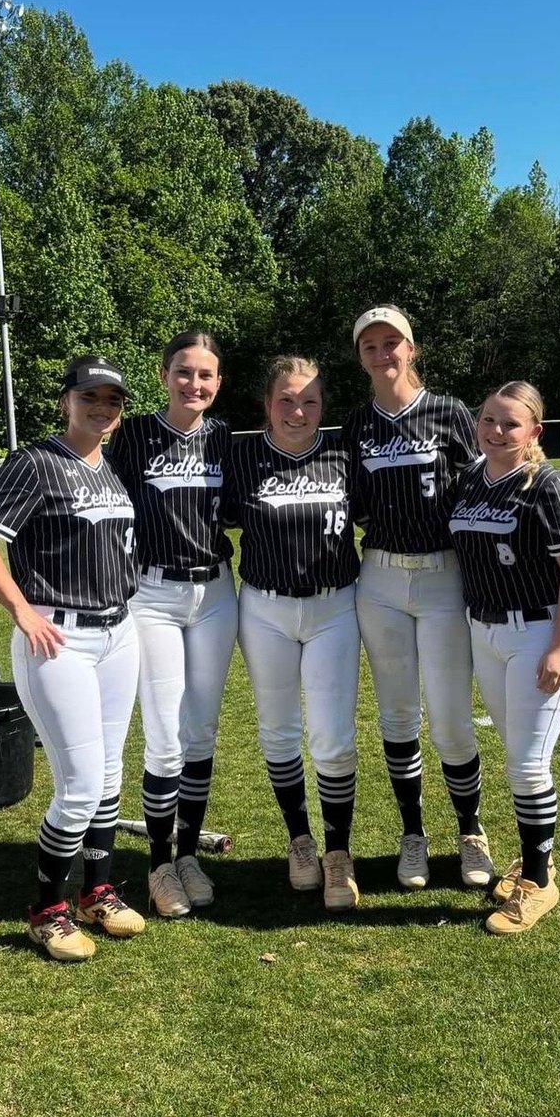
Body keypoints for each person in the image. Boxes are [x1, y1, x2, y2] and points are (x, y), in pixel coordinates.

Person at [0, 356, 144, 963]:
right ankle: (46, 910)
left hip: (117, 633)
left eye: (112, 399)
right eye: (90, 395)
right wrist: (20, 607)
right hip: (58, 637)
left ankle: (97, 892)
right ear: (66, 400)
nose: (102, 407)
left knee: (110, 776)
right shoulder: (36, 461)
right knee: (81, 784)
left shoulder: (106, 470)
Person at [342, 304, 491, 891]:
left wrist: (548, 498)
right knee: (398, 712)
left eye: (392, 342)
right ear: (361, 358)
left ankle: (472, 830)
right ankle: (413, 835)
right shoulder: (356, 424)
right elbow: (346, 500)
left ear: (412, 347)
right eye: (371, 346)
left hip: (442, 575)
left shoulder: (449, 411)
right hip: (379, 577)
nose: (384, 354)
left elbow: (487, 478)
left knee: (451, 717)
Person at [448, 381, 560, 935]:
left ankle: (538, 881)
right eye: (488, 420)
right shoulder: (471, 479)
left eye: (510, 423)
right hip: (485, 631)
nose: (495, 431)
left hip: (539, 631)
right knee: (518, 753)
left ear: (534, 431)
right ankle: (538, 859)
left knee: (528, 765)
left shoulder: (550, 486)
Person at [108, 331, 237, 918]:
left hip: (215, 593)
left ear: (218, 383)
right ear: (164, 376)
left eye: (206, 375)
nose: (195, 384)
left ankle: (188, 853)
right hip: (153, 593)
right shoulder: (131, 434)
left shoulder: (224, 437)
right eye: (184, 372)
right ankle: (159, 862)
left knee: (201, 731)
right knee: (163, 735)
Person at [226, 356, 362, 912]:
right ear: (267, 404)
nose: (298, 410)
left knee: (332, 734)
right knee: (279, 730)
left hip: (334, 608)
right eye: (286, 399)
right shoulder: (241, 458)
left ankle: (338, 853)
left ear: (322, 406)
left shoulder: (342, 455)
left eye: (309, 400)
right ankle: (299, 840)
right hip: (264, 608)